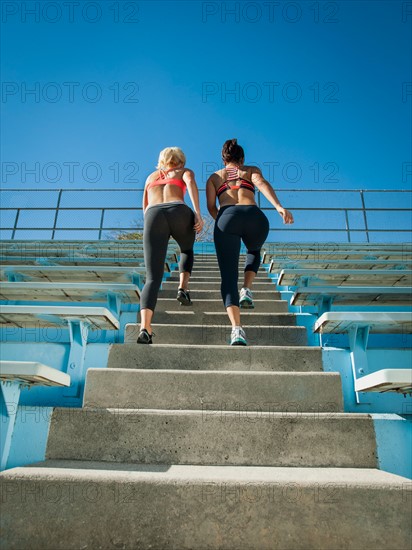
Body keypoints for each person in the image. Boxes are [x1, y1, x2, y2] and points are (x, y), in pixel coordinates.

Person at [206, 138, 294, 346]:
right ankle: (246, 288)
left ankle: (236, 329)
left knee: (228, 278)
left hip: (227, 216)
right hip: (255, 216)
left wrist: (225, 220)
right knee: (254, 248)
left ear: (223, 158)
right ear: (242, 158)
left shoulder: (214, 177)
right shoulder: (250, 170)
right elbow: (262, 184)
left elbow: (210, 207)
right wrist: (279, 207)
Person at [137, 147, 203, 344]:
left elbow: (145, 207)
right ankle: (183, 288)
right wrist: (197, 213)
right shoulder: (185, 172)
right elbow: (191, 186)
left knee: (152, 278)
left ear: (161, 160)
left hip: (153, 215)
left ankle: (145, 328)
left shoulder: (150, 177)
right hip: (179, 210)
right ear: (180, 161)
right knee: (186, 249)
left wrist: (152, 226)